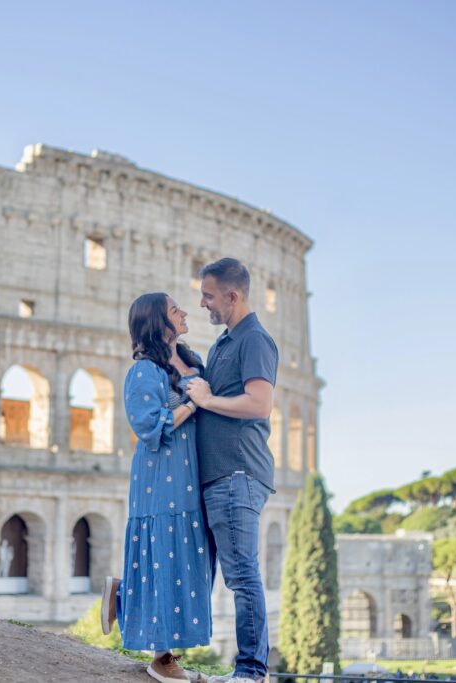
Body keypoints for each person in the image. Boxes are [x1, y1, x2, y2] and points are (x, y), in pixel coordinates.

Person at [102, 292, 213, 683]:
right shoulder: (143, 371)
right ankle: (162, 657)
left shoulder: (193, 359)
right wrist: (194, 402)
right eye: (174, 309)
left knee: (188, 558)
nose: (184, 312)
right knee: (166, 553)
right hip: (160, 474)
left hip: (191, 472)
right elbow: (149, 426)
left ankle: (124, 593)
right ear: (157, 322)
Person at [185, 258, 278, 683]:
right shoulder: (224, 343)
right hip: (218, 478)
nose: (202, 303)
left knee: (242, 576)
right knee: (204, 570)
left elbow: (259, 404)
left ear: (232, 295)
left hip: (237, 475)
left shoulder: (254, 340)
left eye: (208, 295)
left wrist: (205, 401)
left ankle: (251, 673)